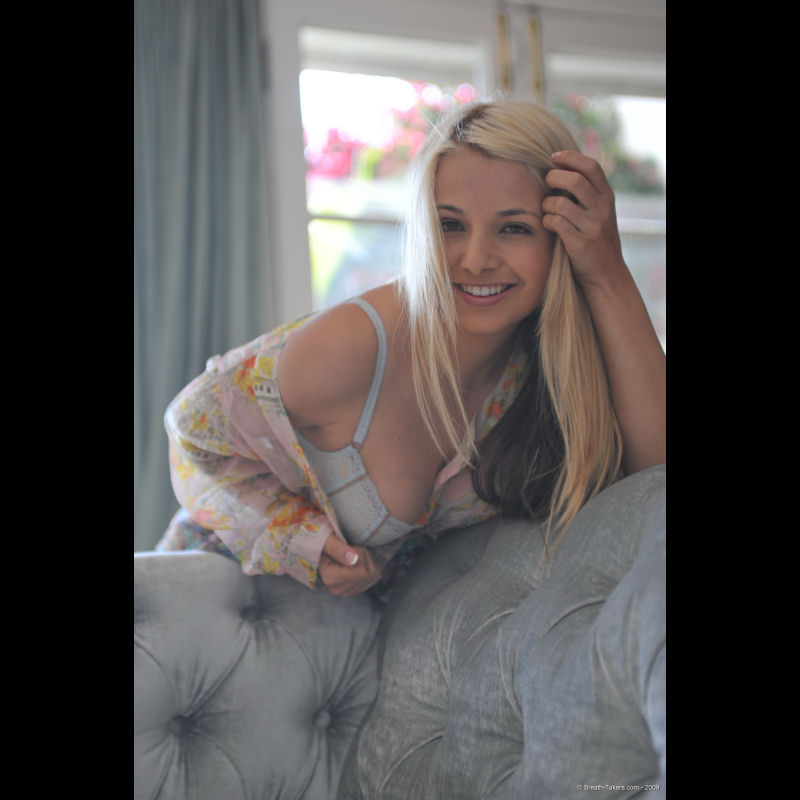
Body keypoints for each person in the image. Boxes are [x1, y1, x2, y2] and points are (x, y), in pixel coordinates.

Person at [157, 99, 666, 600]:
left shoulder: (543, 366)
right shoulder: (353, 345)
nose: (477, 260)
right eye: (451, 225)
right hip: (207, 602)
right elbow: (190, 430)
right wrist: (297, 538)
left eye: (514, 228)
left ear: (561, 237)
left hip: (350, 637)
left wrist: (606, 270)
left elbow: (655, 475)